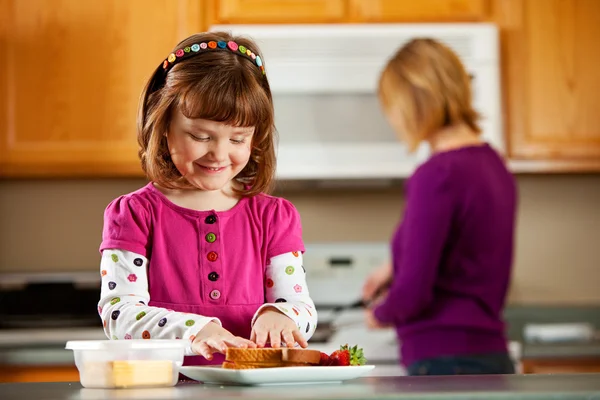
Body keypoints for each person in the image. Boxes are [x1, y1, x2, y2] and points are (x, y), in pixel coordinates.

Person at [97, 32, 317, 366]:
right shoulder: (134, 214)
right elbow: (118, 315)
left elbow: (302, 309)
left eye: (238, 138)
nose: (218, 153)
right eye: (201, 136)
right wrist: (196, 330)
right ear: (164, 124)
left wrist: (280, 314)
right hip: (166, 387)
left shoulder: (274, 217)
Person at [362, 38, 517, 376]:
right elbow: (464, 249)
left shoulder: (436, 175)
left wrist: (379, 314)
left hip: (443, 360)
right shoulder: (494, 166)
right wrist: (392, 266)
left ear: (413, 103)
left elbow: (412, 294)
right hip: (490, 355)